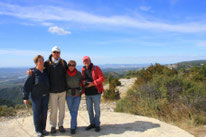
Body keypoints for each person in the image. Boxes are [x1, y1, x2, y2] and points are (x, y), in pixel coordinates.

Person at [27, 46, 67, 134]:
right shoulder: (47, 63)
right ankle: (53, 126)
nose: (56, 53)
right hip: (52, 91)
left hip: (62, 90)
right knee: (53, 110)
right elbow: (38, 67)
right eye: (54, 52)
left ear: (60, 53)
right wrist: (30, 70)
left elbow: (67, 73)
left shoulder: (64, 62)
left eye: (58, 52)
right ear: (51, 53)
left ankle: (60, 125)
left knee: (62, 110)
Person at [23, 55, 50, 137]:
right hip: (36, 97)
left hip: (45, 96)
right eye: (39, 61)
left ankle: (43, 129)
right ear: (36, 63)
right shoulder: (33, 73)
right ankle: (38, 130)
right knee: (37, 114)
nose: (41, 62)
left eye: (42, 60)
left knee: (44, 114)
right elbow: (26, 86)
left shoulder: (45, 72)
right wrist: (25, 97)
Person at [82, 56, 105, 132]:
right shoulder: (83, 69)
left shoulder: (96, 68)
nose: (86, 62)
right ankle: (92, 123)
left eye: (87, 60)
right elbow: (83, 79)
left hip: (96, 92)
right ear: (83, 62)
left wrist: (93, 83)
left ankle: (97, 124)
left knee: (97, 109)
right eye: (85, 61)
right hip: (87, 93)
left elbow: (102, 78)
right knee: (89, 109)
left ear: (90, 61)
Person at [65, 60, 82, 134]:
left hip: (77, 95)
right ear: (67, 66)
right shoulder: (65, 74)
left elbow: (82, 82)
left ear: (75, 66)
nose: (71, 66)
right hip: (69, 94)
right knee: (71, 111)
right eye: (69, 65)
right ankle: (74, 124)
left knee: (74, 110)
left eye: (73, 65)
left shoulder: (79, 74)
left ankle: (72, 127)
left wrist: (81, 90)